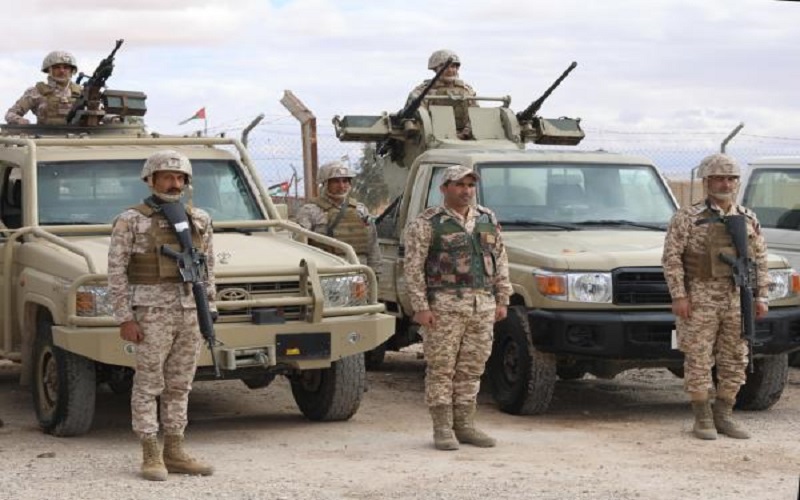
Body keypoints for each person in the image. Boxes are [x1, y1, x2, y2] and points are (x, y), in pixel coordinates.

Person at [108, 150, 216, 481]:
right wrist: (125, 317)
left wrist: (209, 309)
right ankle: (150, 453)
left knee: (180, 384)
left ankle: (175, 450)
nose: (174, 183)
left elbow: (208, 268)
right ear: (151, 179)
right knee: (149, 383)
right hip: (151, 313)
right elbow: (116, 271)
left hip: (190, 311)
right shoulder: (131, 220)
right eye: (167, 177)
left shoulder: (199, 219)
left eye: (180, 177)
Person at [662, 153, 769, 441]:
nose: (725, 184)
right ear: (707, 181)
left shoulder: (747, 218)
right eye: (719, 178)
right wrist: (679, 295)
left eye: (731, 178)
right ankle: (703, 417)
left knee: (735, 358)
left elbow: (759, 259)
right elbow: (671, 259)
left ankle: (724, 415)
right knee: (698, 357)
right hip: (700, 298)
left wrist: (761, 296)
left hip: (737, 298)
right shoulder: (687, 218)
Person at [403, 165, 511, 450]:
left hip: (482, 307)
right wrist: (421, 307)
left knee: (472, 368)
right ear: (444, 189)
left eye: (470, 185)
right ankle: (442, 428)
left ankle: (465, 425)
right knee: (441, 368)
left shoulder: (486, 218)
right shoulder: (427, 223)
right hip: (444, 309)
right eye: (459, 185)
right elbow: (413, 268)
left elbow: (500, 260)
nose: (466, 191)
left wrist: (502, 298)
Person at [295, 160, 382, 278]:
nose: (342, 186)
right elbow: (300, 246)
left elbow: (372, 245)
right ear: (325, 183)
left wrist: (375, 273)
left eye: (345, 181)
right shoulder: (310, 211)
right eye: (336, 181)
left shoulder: (361, 210)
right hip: (326, 274)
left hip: (359, 273)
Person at [406, 49, 478, 139]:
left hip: (466, 139)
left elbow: (476, 114)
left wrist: (465, 133)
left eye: (453, 67)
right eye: (445, 67)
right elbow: (418, 117)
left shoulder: (466, 90)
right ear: (435, 69)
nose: (450, 70)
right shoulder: (422, 92)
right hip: (433, 137)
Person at [5, 51, 82, 125]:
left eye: (66, 67)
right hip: (45, 133)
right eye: (56, 67)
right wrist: (21, 121)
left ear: (72, 71)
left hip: (79, 134)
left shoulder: (82, 92)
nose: (61, 71)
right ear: (49, 70)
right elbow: (10, 114)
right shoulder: (36, 91)